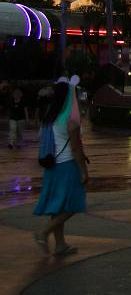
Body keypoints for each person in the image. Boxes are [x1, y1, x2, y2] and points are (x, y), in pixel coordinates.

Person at [33, 76, 89, 255]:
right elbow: (76, 149)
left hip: (52, 166)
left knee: (57, 205)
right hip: (67, 166)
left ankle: (60, 244)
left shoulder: (50, 117)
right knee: (74, 203)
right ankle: (45, 231)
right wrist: (84, 172)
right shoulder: (71, 120)